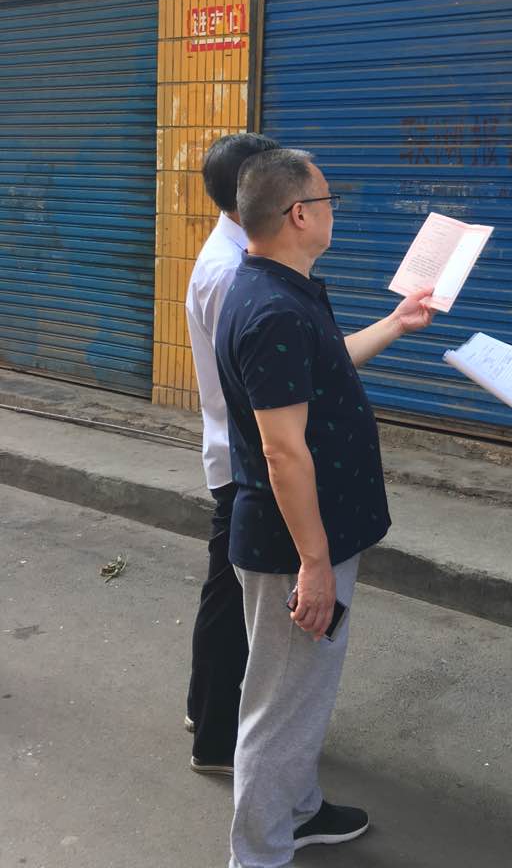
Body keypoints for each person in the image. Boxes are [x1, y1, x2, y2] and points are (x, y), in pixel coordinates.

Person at [215, 147, 435, 868]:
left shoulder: (283, 290)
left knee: (299, 694)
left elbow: (323, 363)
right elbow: (283, 452)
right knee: (280, 705)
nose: (335, 209)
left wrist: (396, 323)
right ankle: (257, 853)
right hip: (294, 547)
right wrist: (313, 564)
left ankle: (299, 809)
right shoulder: (274, 310)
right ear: (299, 215)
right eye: (328, 199)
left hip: (314, 537)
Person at [184, 131, 279, 775]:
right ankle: (218, 737)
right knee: (232, 600)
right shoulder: (228, 273)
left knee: (225, 589)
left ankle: (206, 711)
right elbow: (257, 381)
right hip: (244, 458)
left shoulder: (242, 256)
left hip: (238, 453)